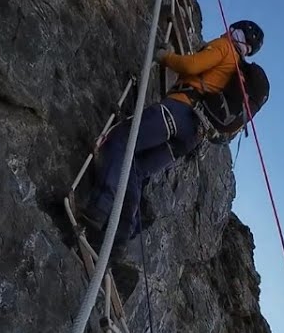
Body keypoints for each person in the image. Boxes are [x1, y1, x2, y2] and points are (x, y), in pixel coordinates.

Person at [81, 20, 265, 245]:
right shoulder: (237, 71)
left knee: (122, 140)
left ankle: (99, 208)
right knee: (137, 171)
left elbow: (192, 66)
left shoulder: (225, 47)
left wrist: (166, 57)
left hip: (179, 111)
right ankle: (119, 239)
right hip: (192, 136)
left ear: (234, 31)